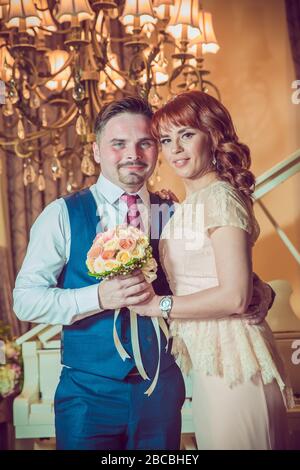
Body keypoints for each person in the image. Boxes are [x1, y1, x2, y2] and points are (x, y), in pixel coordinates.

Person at [13, 96, 273, 450]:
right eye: (118, 144)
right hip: (88, 395)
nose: (132, 154)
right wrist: (98, 296)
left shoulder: (174, 211)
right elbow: (25, 301)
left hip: (161, 391)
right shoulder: (62, 214)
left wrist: (262, 290)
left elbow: (217, 270)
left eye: (146, 143)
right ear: (97, 151)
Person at [132, 90, 293, 450]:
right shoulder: (191, 202)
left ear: (213, 135)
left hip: (233, 359)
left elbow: (234, 297)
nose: (175, 149)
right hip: (209, 359)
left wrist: (157, 305)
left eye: (187, 135)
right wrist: (262, 288)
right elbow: (218, 273)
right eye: (166, 140)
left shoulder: (220, 197)